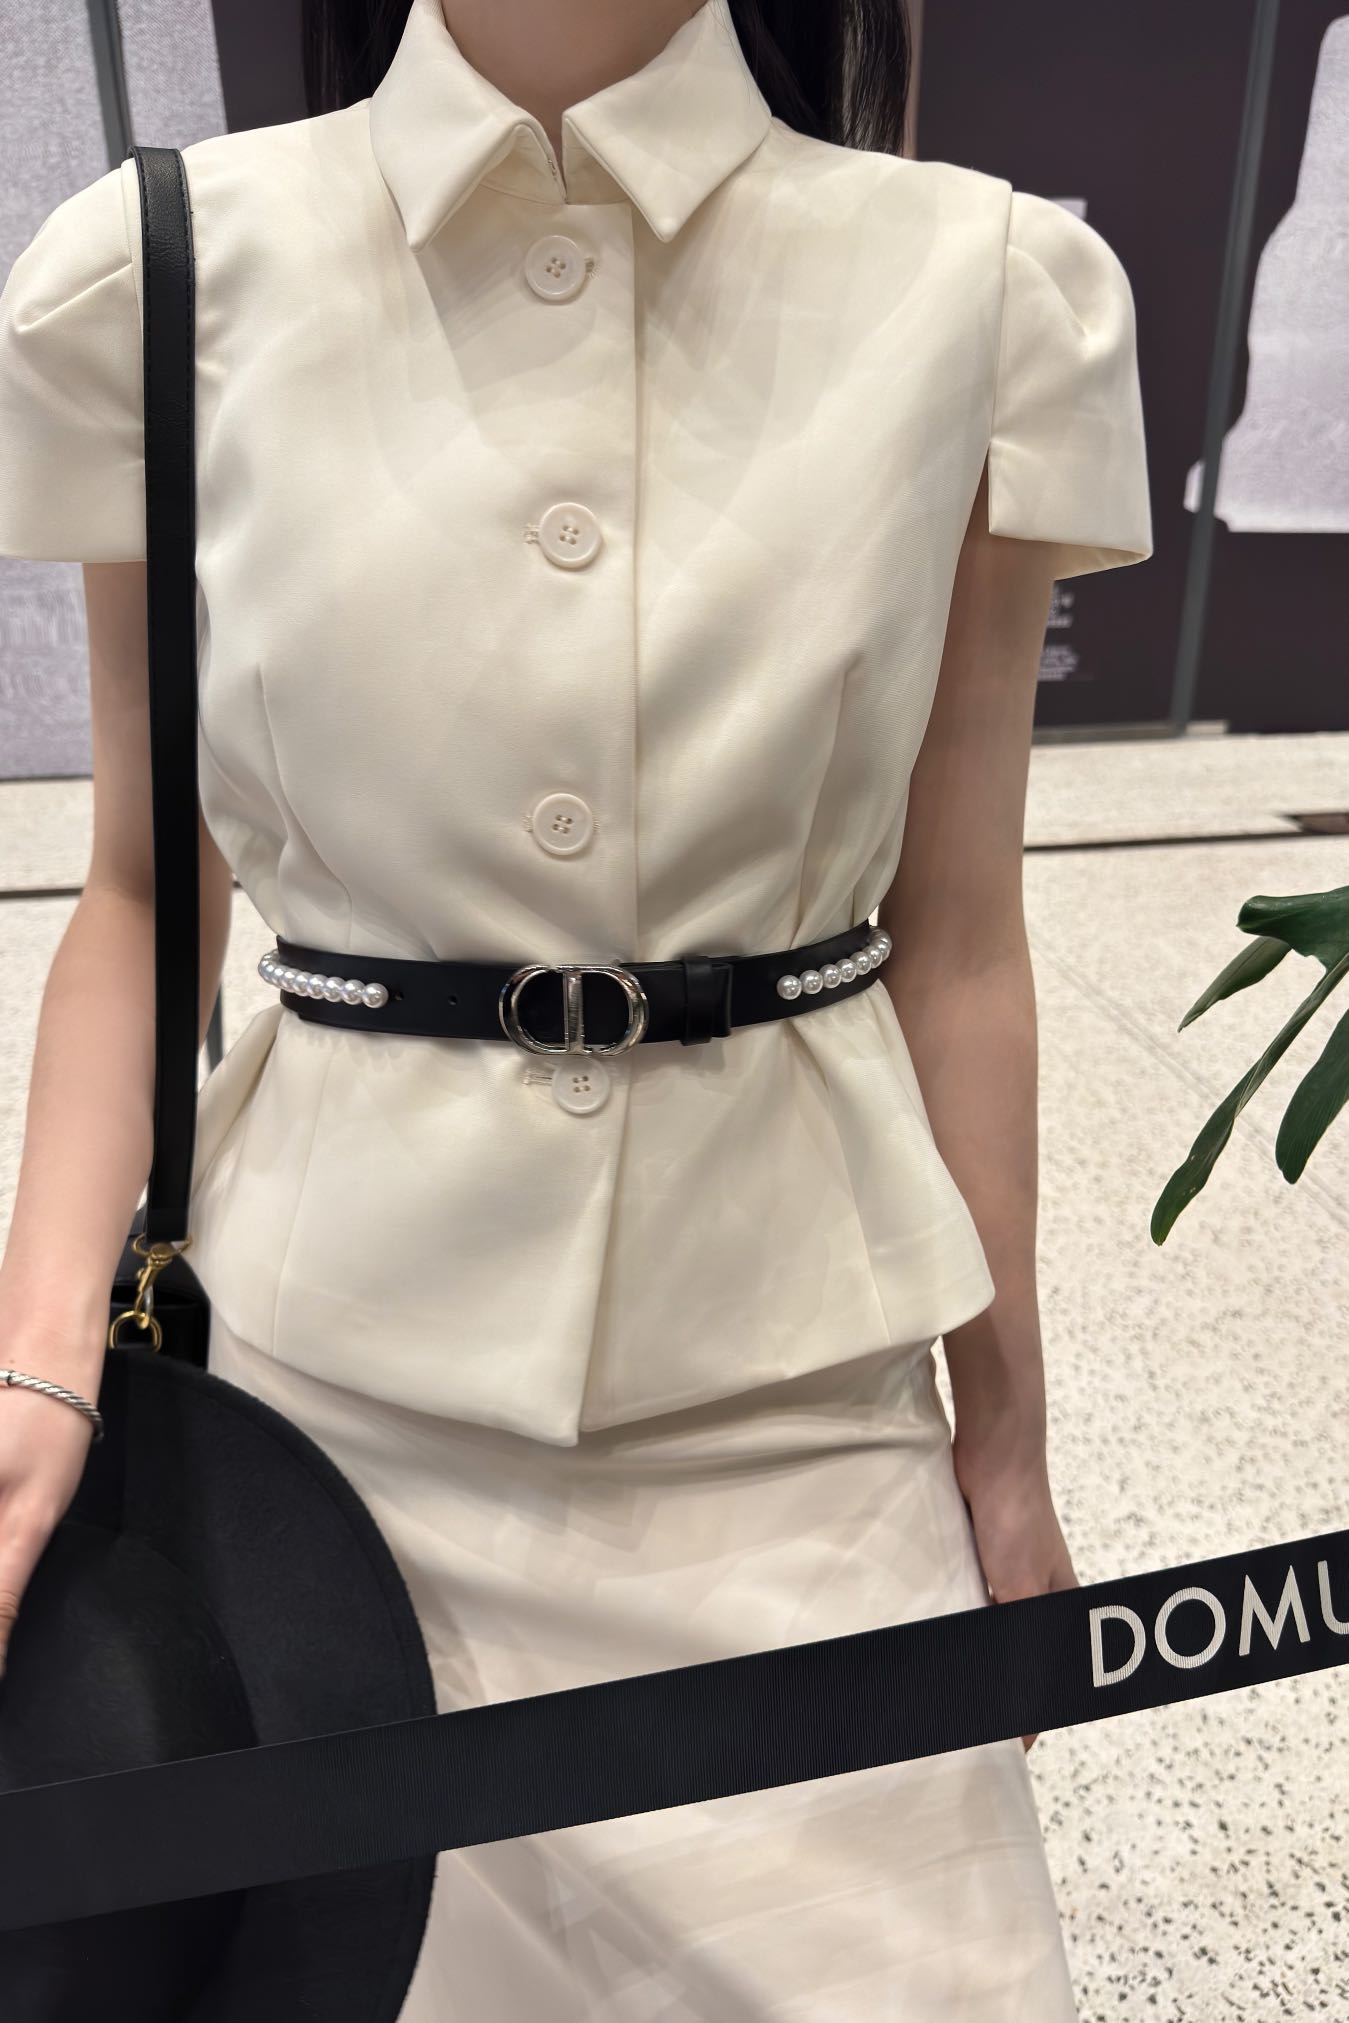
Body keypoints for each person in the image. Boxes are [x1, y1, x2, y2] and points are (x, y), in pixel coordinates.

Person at [0, 0, 1152, 2013]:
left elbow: (960, 929)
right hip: (322, 1437)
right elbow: (143, 888)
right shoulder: (155, 272)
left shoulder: (987, 290)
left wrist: (1005, 1442)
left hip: (802, 1424)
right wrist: (35, 1373)